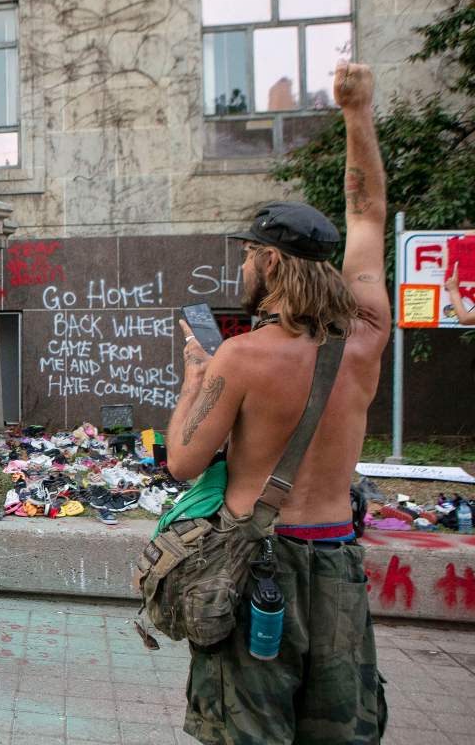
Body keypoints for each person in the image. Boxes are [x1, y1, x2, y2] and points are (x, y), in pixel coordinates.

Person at [166, 61, 388, 744]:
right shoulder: (366, 333)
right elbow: (367, 211)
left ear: (272, 264)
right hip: (338, 567)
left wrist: (194, 376)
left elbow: (182, 462)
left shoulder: (242, 358)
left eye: (249, 255)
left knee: (249, 731)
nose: (242, 267)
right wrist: (356, 110)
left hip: (259, 569)